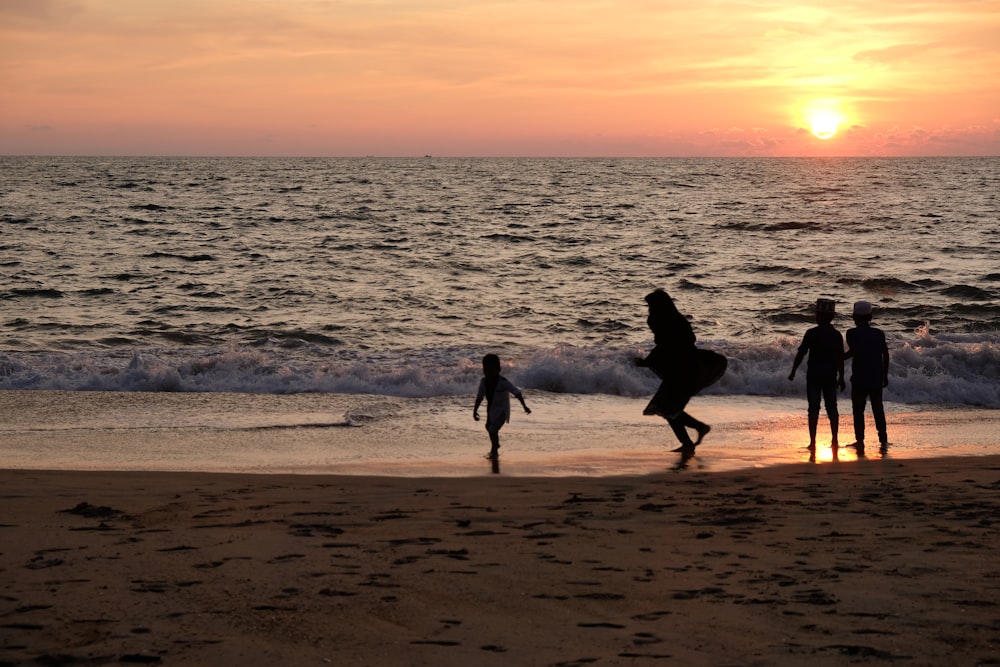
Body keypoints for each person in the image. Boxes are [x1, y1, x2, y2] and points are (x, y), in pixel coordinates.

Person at [634, 289, 716, 452]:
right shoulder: (678, 319)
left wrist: (647, 362)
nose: (649, 309)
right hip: (689, 365)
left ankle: (695, 434)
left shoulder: (659, 320)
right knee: (668, 408)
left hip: (681, 370)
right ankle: (693, 436)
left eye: (650, 305)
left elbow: (664, 345)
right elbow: (688, 340)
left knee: (667, 408)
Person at [788, 298, 846, 450]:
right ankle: (835, 440)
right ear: (832, 316)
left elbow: (801, 354)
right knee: (832, 408)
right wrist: (842, 377)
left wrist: (793, 370)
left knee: (813, 408)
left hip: (813, 375)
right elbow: (840, 358)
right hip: (830, 376)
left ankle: (813, 442)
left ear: (819, 316)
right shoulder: (836, 335)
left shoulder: (811, 333)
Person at [845, 300, 890, 451]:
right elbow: (886, 354)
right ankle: (883, 440)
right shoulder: (879, 334)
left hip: (859, 378)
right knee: (878, 409)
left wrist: (836, 358)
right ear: (870, 317)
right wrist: (885, 375)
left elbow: (853, 352)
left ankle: (860, 441)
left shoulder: (851, 334)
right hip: (876, 377)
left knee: (858, 411)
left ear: (854, 317)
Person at [473, 353, 531, 460]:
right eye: (486, 371)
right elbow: (479, 397)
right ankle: (496, 445)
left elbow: (517, 393)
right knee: (488, 427)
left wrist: (525, 406)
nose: (488, 373)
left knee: (493, 430)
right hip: (491, 410)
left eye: (491, 371)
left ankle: (494, 449)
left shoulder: (503, 383)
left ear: (498, 370)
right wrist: (475, 411)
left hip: (502, 411)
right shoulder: (483, 382)